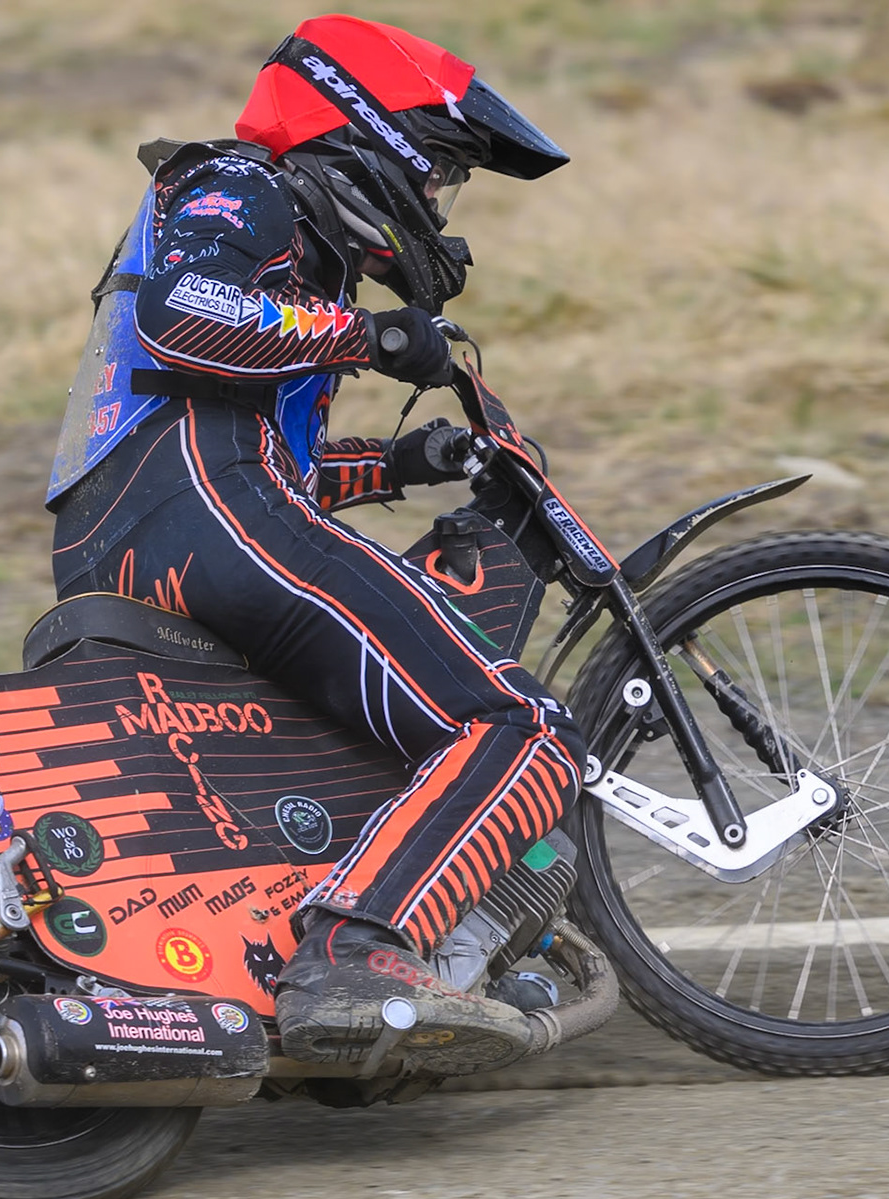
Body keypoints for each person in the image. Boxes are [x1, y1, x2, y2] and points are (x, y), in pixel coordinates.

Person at [47, 15, 584, 1072]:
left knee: (372, 742)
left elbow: (250, 447)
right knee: (518, 725)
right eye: (438, 173)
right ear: (368, 131)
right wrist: (373, 337)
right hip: (199, 512)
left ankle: (317, 961)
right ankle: (355, 954)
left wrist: (400, 464)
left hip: (145, 529)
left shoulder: (292, 251)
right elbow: (183, 319)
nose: (437, 205)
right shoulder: (248, 186)